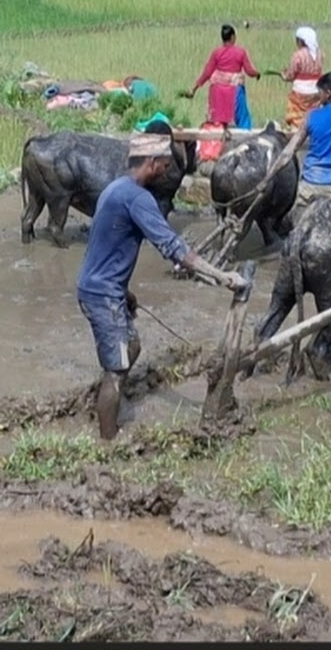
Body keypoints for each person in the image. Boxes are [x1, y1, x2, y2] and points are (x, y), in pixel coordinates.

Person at [76, 125, 247, 441]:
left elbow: (103, 249)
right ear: (152, 162)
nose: (169, 171)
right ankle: (108, 441)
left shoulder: (114, 189)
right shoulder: (138, 199)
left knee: (132, 346)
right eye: (166, 165)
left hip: (98, 287)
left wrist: (122, 291)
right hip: (102, 294)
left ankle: (108, 398)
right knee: (116, 371)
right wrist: (224, 277)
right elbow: (175, 250)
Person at [260, 71, 331, 217]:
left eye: (319, 92)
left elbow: (288, 152)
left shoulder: (312, 116)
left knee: (294, 230)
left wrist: (267, 179)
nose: (318, 97)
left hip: (310, 189)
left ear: (328, 93)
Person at [187, 24, 260, 128]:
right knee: (243, 118)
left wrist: (194, 89)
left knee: (217, 121)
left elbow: (207, 73)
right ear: (233, 37)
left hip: (217, 91)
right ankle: (244, 135)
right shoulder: (240, 53)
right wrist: (257, 74)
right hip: (234, 90)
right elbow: (249, 71)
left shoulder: (216, 53)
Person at [282, 26, 324, 130]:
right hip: (316, 89)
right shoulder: (320, 54)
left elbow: (291, 75)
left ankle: (297, 131)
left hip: (300, 90)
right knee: (313, 112)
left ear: (301, 41)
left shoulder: (298, 55)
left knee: (296, 113)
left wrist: (284, 76)